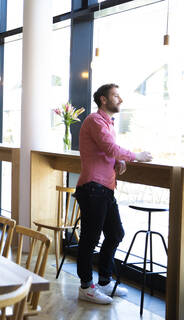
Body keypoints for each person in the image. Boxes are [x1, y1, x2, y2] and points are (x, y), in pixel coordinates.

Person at [74, 83, 153, 304]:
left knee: (116, 233)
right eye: (116, 96)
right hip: (93, 189)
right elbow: (109, 147)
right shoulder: (95, 120)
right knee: (90, 239)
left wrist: (117, 160)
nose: (121, 99)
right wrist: (136, 155)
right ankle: (85, 287)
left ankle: (105, 281)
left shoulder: (108, 123)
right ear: (103, 100)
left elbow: (106, 150)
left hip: (104, 189)